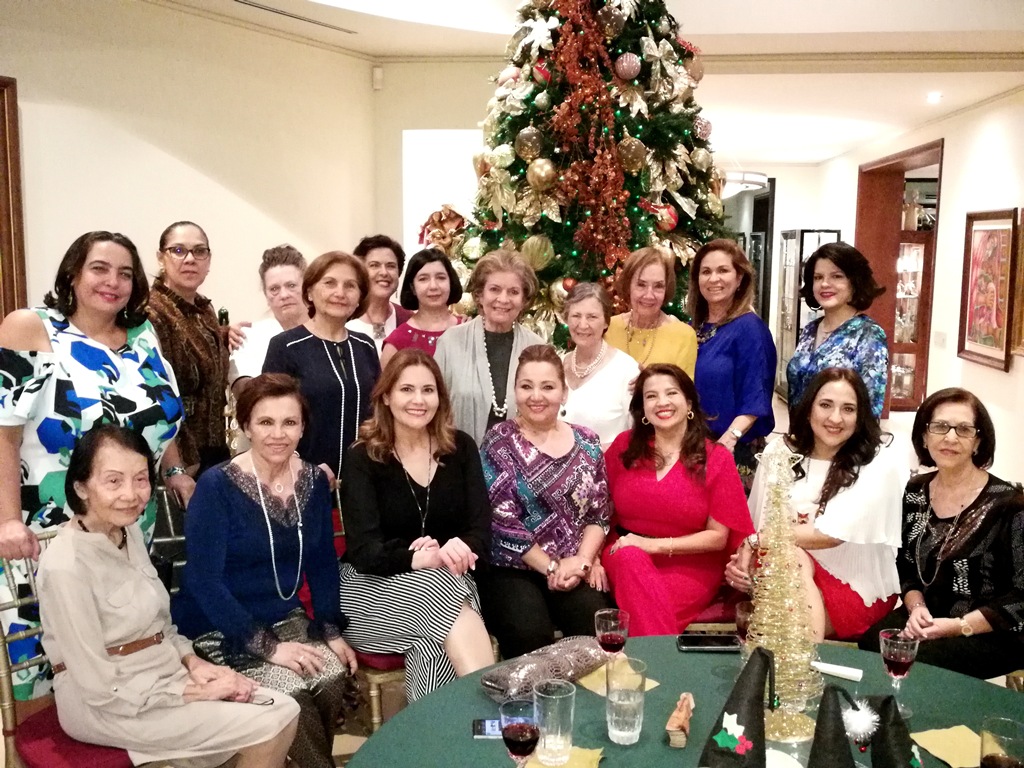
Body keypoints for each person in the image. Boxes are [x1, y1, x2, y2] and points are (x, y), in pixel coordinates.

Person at [38, 424, 299, 768]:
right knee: (268, 724)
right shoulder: (65, 565)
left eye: (141, 479)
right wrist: (194, 692)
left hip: (163, 675)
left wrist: (196, 664)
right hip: (110, 703)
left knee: (283, 708)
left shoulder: (128, 533)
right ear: (81, 487)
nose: (131, 494)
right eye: (113, 481)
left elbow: (161, 627)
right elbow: (97, 684)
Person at [0, 231, 188, 698]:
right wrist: (6, 519)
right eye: (99, 269)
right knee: (47, 663)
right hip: (47, 528)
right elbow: (4, 433)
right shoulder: (31, 327)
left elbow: (159, 416)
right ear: (72, 274)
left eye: (125, 273)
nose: (113, 282)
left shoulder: (143, 335)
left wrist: (175, 471)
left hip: (130, 521)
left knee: (124, 649)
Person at [173, 374, 358, 768]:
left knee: (329, 678)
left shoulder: (313, 481)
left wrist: (330, 629)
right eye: (265, 422)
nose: (278, 434)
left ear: (303, 428)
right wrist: (269, 648)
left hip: (284, 616)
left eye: (289, 422)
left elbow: (322, 562)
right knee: (291, 694)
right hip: (219, 626)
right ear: (246, 426)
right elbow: (203, 583)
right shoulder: (216, 486)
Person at [340, 349, 494, 700]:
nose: (419, 400)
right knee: (445, 589)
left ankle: (437, 734)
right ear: (386, 396)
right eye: (406, 389)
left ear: (440, 397)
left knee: (433, 643)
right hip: (369, 590)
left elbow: (481, 532)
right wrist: (418, 559)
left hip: (446, 583)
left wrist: (459, 548)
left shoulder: (460, 448)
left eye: (428, 390)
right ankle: (489, 709)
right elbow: (365, 551)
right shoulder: (363, 457)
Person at [726, 368, 905, 641]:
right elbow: (757, 524)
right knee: (785, 566)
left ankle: (802, 661)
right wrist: (742, 567)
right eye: (825, 405)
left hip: (854, 585)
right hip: (781, 574)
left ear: (861, 417)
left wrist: (757, 541)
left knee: (791, 560)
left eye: (848, 409)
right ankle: (796, 661)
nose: (835, 418)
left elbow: (829, 535)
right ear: (808, 408)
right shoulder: (779, 452)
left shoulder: (880, 462)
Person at [860, 388, 1024, 679]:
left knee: (918, 663)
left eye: (964, 429)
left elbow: (1021, 596)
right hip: (928, 616)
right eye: (940, 427)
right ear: (924, 437)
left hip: (992, 630)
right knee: (874, 642)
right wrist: (916, 608)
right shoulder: (915, 491)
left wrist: (959, 626)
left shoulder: (1010, 505)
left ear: (978, 442)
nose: (950, 437)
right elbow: (905, 564)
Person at [480, 345, 613, 657]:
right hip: (512, 568)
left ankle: (584, 692)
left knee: (595, 623)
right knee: (530, 632)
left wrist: (581, 563)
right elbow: (503, 523)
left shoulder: (587, 441)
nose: (536, 396)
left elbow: (599, 514)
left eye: (548, 387)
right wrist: (552, 567)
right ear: (515, 392)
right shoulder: (498, 441)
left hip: (573, 565)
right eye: (526, 386)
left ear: (564, 393)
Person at [602, 364, 753, 636]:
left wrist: (652, 546)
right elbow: (597, 507)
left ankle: (646, 658)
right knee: (630, 558)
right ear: (642, 409)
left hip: (690, 564)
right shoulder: (624, 447)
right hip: (624, 552)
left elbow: (718, 537)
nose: (662, 402)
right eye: (651, 396)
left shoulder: (716, 458)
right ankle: (659, 660)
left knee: (647, 607)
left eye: (671, 393)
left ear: (689, 403)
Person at [263, 251, 381, 490]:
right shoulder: (285, 346)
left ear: (360, 297)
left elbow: (379, 413)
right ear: (309, 292)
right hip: (301, 480)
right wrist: (300, 465)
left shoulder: (365, 346)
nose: (340, 293)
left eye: (350, 286)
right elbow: (266, 417)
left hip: (366, 481)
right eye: (329, 283)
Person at [689, 239, 776, 489]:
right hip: (694, 448)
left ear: (739, 279)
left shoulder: (750, 329)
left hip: (732, 451)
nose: (713, 279)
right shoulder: (694, 327)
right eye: (706, 271)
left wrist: (729, 440)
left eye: (723, 270)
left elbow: (756, 395)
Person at [435, 250, 544, 445]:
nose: (503, 299)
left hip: (524, 460)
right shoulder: (450, 343)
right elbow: (434, 408)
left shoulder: (537, 348)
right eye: (495, 289)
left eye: (513, 292)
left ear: (524, 300)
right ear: (479, 295)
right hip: (459, 458)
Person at [147, 221, 230, 477]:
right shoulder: (150, 312)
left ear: (208, 260)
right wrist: (178, 465)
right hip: (177, 458)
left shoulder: (204, 309)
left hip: (214, 450)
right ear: (161, 258)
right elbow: (155, 393)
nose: (190, 259)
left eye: (199, 251)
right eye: (178, 250)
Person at [786, 241, 888, 418]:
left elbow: (870, 406)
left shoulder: (869, 334)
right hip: (801, 433)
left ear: (854, 282)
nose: (825, 284)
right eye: (818, 277)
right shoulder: (810, 330)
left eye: (836, 276)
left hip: (839, 432)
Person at [561, 282, 639, 448]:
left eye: (592, 317)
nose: (583, 325)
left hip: (607, 463)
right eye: (576, 316)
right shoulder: (556, 366)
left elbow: (637, 438)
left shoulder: (626, 370)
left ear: (606, 322)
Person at [229, 244, 307, 396]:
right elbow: (243, 393)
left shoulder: (327, 332)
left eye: (291, 285)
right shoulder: (248, 337)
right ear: (266, 295)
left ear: (307, 288)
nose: (284, 295)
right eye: (274, 289)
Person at [605, 246, 697, 376]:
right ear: (628, 285)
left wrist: (650, 382)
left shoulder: (683, 336)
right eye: (641, 284)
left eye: (658, 286)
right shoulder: (608, 328)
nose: (649, 295)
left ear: (666, 289)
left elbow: (684, 388)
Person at [379, 247, 464, 368]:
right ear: (412, 287)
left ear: (451, 282)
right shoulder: (397, 342)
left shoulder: (468, 329)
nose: (433, 286)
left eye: (441, 277)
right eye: (423, 279)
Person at [346, 234, 413, 355]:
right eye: (374, 265)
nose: (384, 272)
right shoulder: (343, 317)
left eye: (390, 266)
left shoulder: (409, 320)